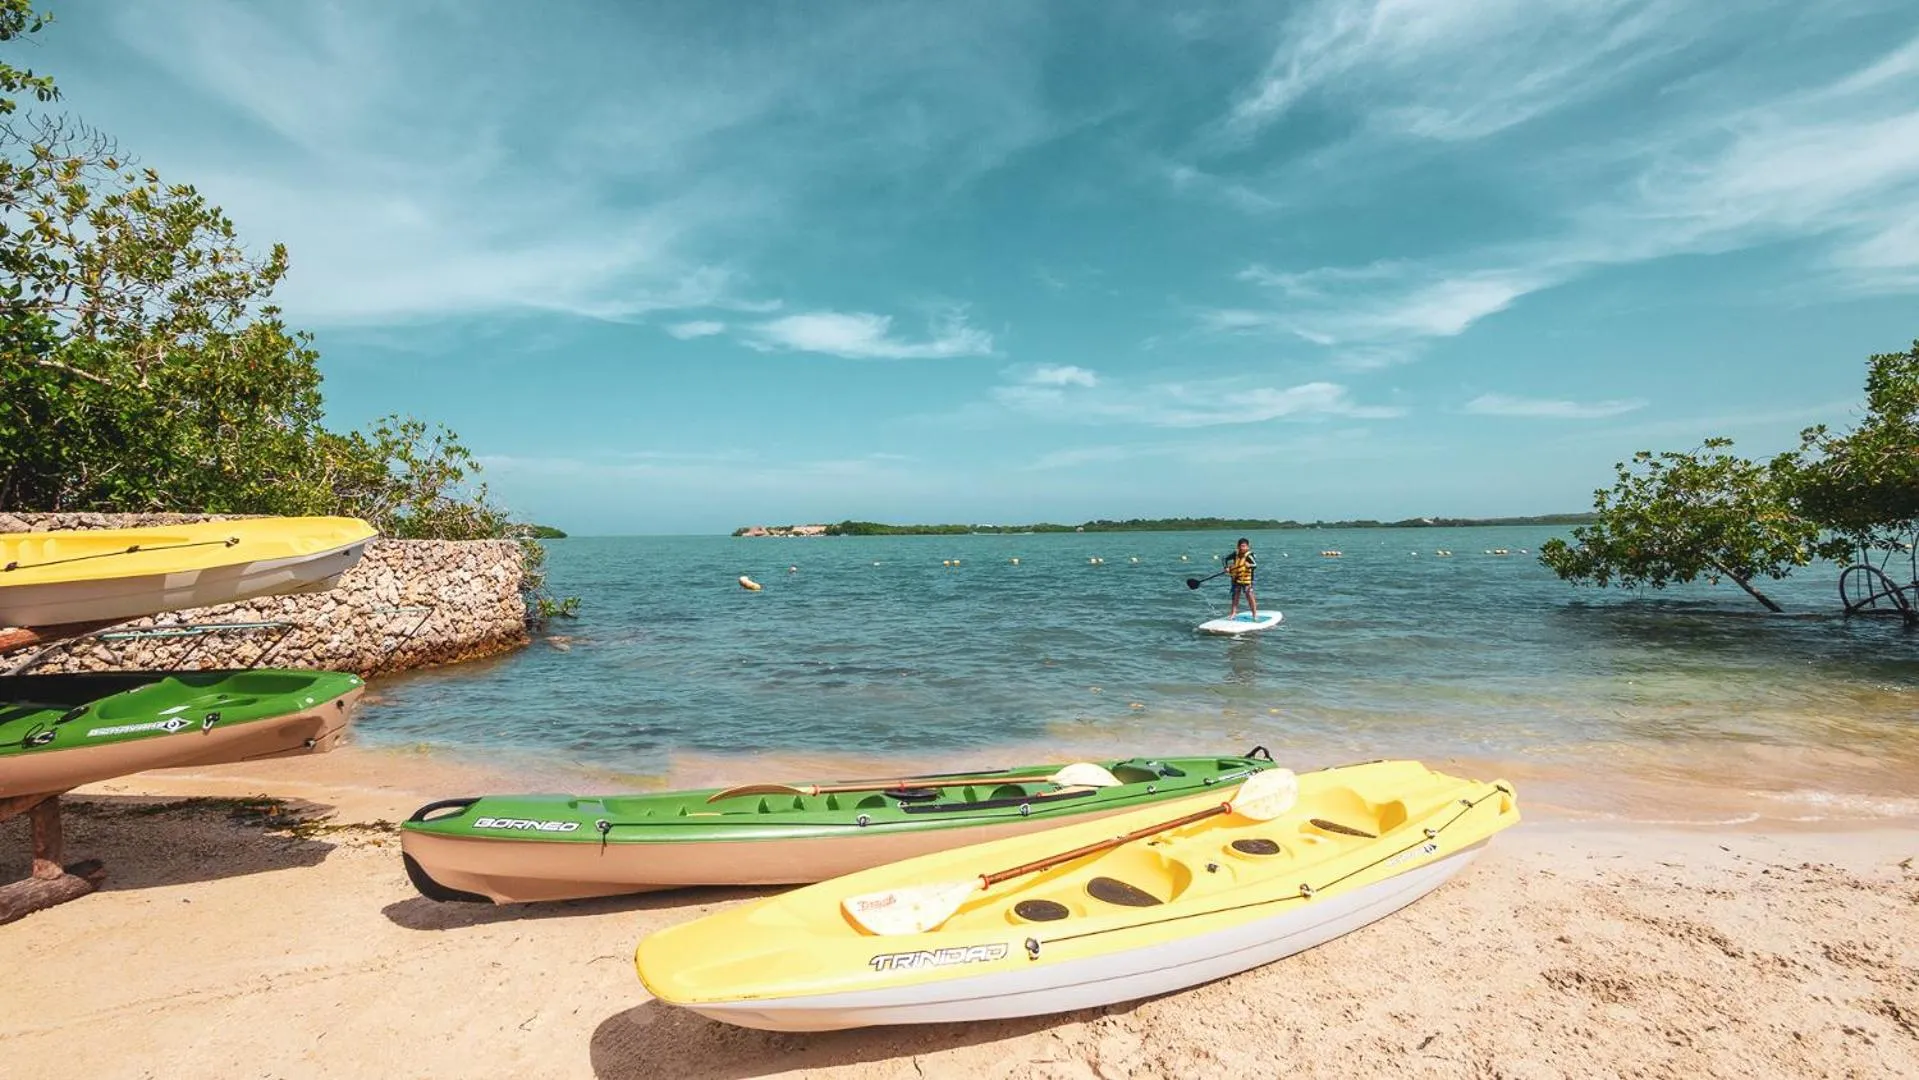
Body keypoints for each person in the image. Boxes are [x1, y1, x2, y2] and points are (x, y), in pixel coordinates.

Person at [1224, 537, 1257, 618]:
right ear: (1238, 546)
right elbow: (1224, 559)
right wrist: (1226, 568)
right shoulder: (1235, 553)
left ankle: (1254, 614)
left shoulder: (1249, 555)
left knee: (1249, 596)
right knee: (1235, 595)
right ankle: (1233, 613)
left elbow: (1255, 565)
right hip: (1236, 578)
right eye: (1241, 546)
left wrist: (1250, 565)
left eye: (1244, 546)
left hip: (1247, 580)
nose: (1243, 548)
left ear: (1248, 547)